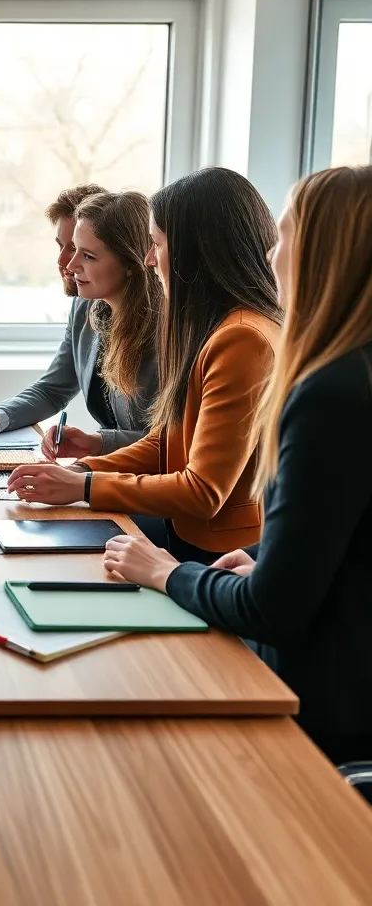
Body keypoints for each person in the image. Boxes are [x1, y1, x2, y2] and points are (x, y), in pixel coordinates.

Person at [102, 165, 372, 764]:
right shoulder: (352, 376)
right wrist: (272, 560)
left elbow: (271, 610)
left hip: (319, 710)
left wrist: (164, 572)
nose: (271, 258)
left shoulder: (329, 391)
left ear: (324, 255)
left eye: (283, 239)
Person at [7, 167, 281, 562]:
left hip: (217, 551)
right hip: (185, 530)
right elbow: (165, 441)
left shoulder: (242, 338)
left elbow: (203, 491)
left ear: (195, 251)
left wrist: (85, 486)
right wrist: (82, 469)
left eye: (156, 244)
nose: (150, 259)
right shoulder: (209, 324)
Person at [0, 185, 160, 456]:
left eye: (83, 252)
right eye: (64, 247)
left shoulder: (169, 329)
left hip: (148, 477)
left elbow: (174, 442)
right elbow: (53, 388)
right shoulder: (85, 307)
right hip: (113, 470)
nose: (68, 264)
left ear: (132, 262)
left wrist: (96, 444)